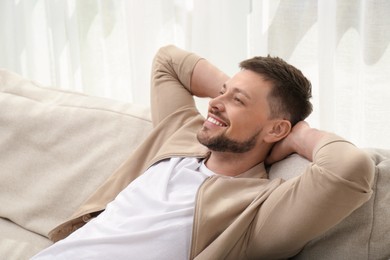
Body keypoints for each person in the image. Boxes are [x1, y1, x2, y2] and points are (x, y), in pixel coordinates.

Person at [32, 45, 374, 259]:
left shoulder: (255, 210)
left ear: (276, 129)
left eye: (237, 101)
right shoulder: (180, 133)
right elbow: (168, 60)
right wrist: (236, 95)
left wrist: (297, 136)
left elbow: (350, 168)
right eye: (221, 91)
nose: (215, 103)